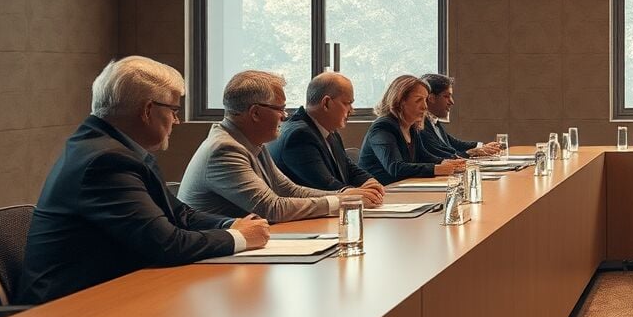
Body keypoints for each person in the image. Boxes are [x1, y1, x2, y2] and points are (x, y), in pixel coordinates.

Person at [16, 57, 270, 305]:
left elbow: (180, 214)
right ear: (148, 110)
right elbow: (167, 245)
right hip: (64, 309)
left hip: (105, 292)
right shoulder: (105, 161)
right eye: (174, 110)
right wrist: (238, 237)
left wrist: (230, 223)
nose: (177, 121)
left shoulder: (119, 149)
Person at [180, 71, 382, 223]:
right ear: (255, 113)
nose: (285, 116)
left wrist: (342, 196)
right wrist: (343, 201)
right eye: (280, 108)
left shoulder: (252, 142)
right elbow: (271, 208)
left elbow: (287, 189)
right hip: (214, 259)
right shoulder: (224, 149)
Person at [268, 72, 385, 201]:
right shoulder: (299, 136)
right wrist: (359, 195)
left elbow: (348, 167)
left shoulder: (329, 131)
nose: (352, 110)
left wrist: (370, 182)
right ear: (326, 103)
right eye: (347, 103)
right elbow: (326, 187)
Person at [360, 75, 467, 184]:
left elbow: (423, 156)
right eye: (418, 100)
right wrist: (437, 168)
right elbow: (395, 167)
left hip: (402, 187)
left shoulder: (411, 126)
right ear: (400, 101)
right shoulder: (383, 127)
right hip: (380, 190)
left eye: (425, 100)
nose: (425, 106)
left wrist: (445, 162)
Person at [418, 73, 503, 161]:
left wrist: (482, 147)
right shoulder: (420, 125)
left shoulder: (432, 120)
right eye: (446, 96)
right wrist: (471, 152)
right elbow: (442, 155)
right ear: (431, 98)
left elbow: (453, 143)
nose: (452, 102)